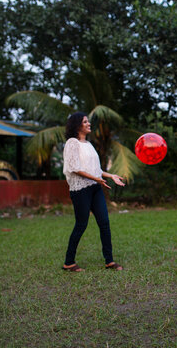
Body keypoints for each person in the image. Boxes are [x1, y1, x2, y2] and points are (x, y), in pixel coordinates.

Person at [62, 112, 125, 272]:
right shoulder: (72, 143)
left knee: (104, 223)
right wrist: (96, 179)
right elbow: (74, 168)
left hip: (95, 188)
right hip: (81, 190)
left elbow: (95, 170)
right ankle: (69, 262)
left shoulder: (88, 144)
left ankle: (109, 261)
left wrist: (110, 175)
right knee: (81, 224)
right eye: (85, 122)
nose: (89, 124)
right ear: (77, 126)